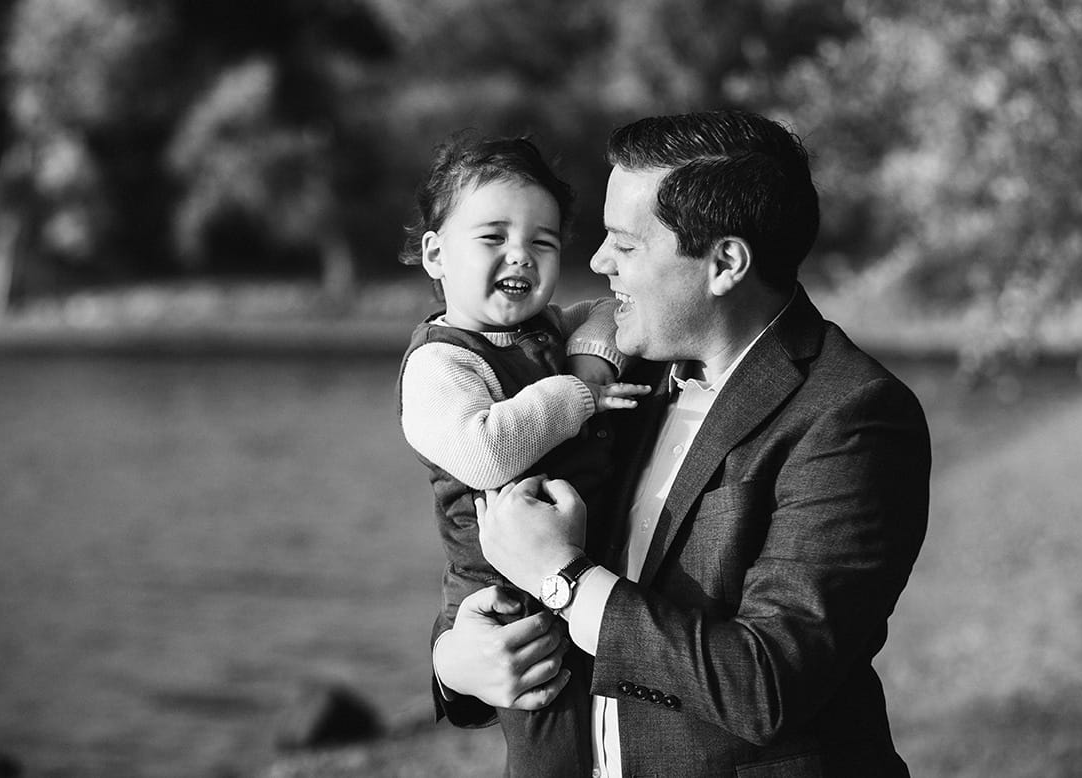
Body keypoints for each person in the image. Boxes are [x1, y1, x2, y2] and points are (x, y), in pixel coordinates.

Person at [433, 110, 932, 777]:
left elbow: (767, 684)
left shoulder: (853, 416)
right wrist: (455, 664)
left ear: (724, 263)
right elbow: (484, 547)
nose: (598, 262)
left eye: (625, 245)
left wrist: (565, 579)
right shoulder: (609, 379)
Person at [396, 132, 650, 777]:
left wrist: (590, 359)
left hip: (577, 574)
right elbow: (483, 453)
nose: (521, 255)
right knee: (551, 748)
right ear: (435, 254)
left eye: (543, 242)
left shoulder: (550, 330)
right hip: (505, 599)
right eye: (493, 237)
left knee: (613, 737)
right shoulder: (440, 363)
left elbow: (608, 312)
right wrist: (576, 393)